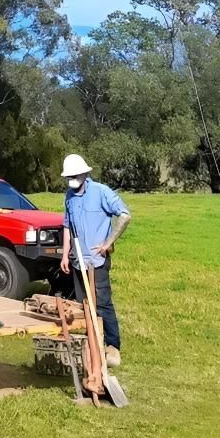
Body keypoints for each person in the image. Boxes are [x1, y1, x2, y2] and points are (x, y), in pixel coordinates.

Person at [60, 153, 131, 368]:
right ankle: (91, 341)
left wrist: (108, 243)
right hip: (77, 261)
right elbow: (67, 226)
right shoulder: (69, 196)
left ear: (84, 173)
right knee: (82, 304)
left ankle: (112, 346)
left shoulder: (101, 192)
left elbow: (125, 215)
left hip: (97, 261)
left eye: (74, 175)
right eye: (68, 176)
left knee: (102, 304)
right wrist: (65, 254)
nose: (71, 179)